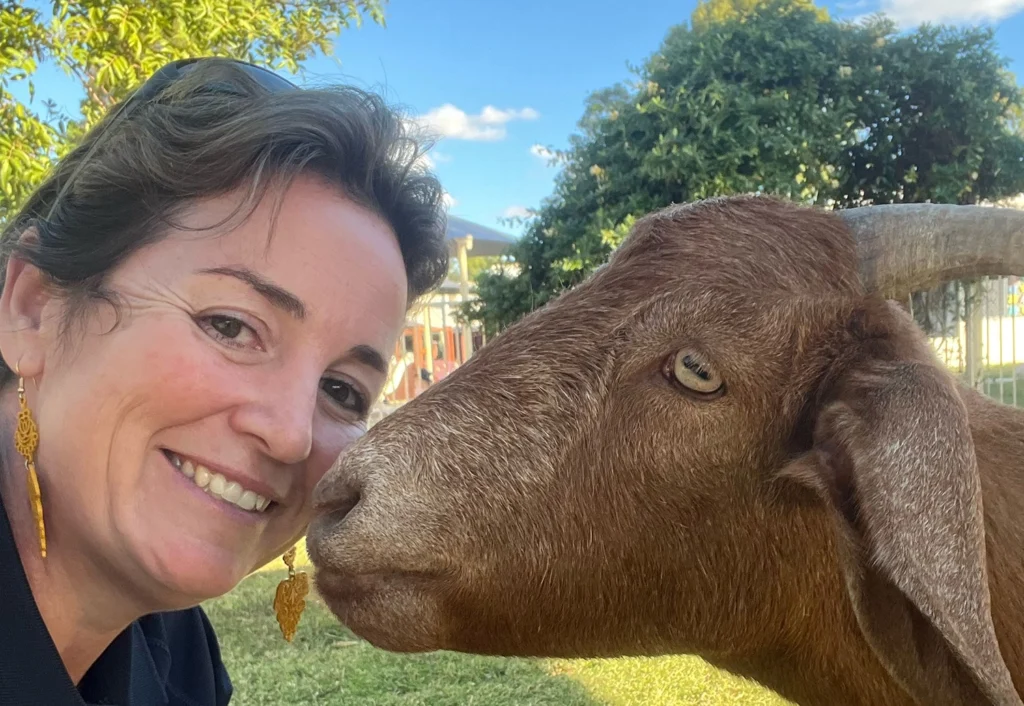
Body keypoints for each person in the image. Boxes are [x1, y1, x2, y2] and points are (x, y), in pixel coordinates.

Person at [0, 57, 450, 705]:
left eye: (342, 390)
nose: (291, 434)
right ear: (34, 308)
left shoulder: (179, 655)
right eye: (232, 326)